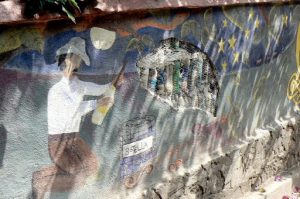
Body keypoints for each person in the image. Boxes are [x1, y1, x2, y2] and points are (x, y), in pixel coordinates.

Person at [32, 37, 122, 198]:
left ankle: (58, 172)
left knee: (93, 167)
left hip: (74, 139)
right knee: (78, 178)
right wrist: (97, 103)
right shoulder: (56, 91)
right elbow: (71, 113)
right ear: (65, 60)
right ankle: (41, 180)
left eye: (78, 60)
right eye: (74, 59)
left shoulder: (79, 84)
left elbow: (100, 89)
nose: (77, 64)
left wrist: (114, 83)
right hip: (58, 143)